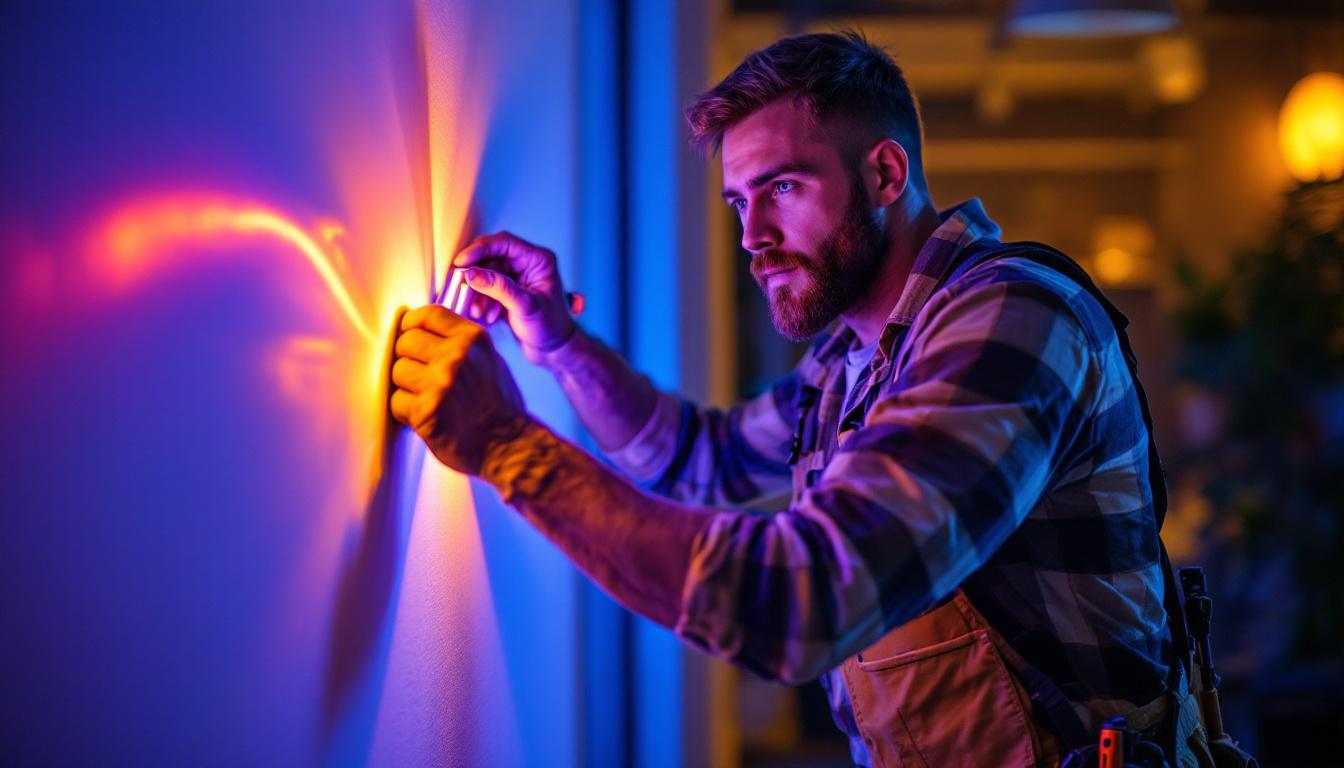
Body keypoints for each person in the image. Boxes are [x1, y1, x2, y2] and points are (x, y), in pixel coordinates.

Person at [389, 31, 1210, 767]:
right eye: (739, 202)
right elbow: (696, 458)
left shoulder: (1016, 318)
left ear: (885, 172)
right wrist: (557, 344)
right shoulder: (849, 358)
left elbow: (807, 602)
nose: (751, 238)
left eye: (780, 188)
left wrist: (505, 444)